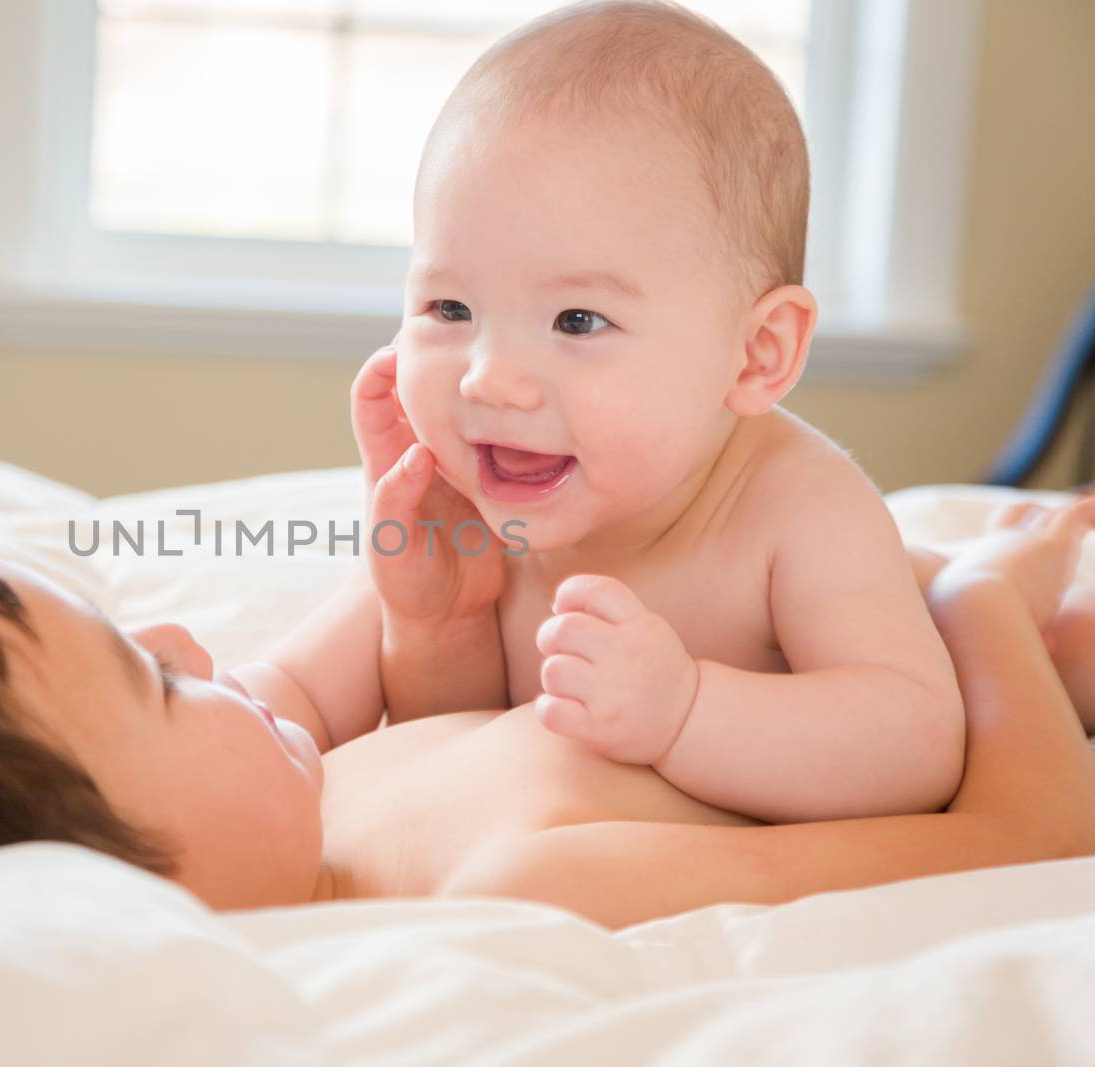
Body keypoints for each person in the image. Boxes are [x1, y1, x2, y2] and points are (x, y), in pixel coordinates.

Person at [0, 497, 1095, 929]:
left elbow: (416, 685)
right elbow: (1027, 830)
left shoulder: (311, 812)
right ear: (117, 884)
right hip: (999, 673)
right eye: (149, 679)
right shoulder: (527, 881)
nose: (184, 632)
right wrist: (975, 596)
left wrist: (431, 615)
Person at [232, 0, 967, 825]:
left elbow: (917, 739)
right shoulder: (471, 508)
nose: (488, 381)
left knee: (1008, 619)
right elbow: (290, 697)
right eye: (449, 307)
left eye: (577, 321)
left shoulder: (799, 513)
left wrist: (686, 712)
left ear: (758, 352)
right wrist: (432, 625)